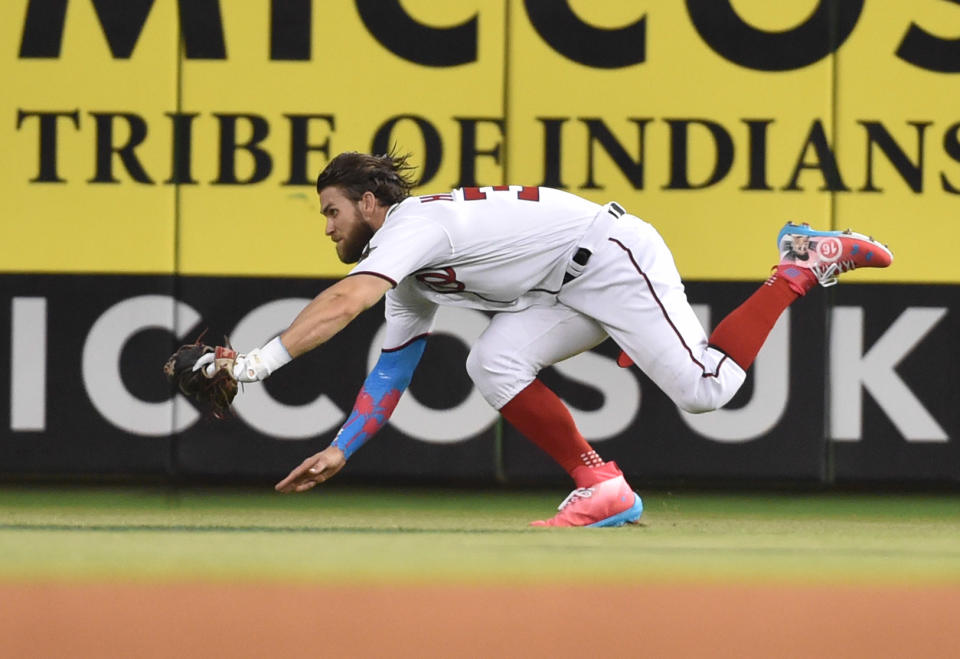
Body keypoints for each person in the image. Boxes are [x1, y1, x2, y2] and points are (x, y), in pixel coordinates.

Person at [205, 151, 893, 527]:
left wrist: (256, 365)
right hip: (560, 285)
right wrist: (341, 448)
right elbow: (391, 367)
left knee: (708, 388)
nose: (326, 226)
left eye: (332, 211)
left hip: (613, 256)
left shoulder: (410, 227)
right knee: (493, 359)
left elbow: (344, 301)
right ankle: (604, 486)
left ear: (370, 204)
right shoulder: (410, 266)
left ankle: (801, 263)